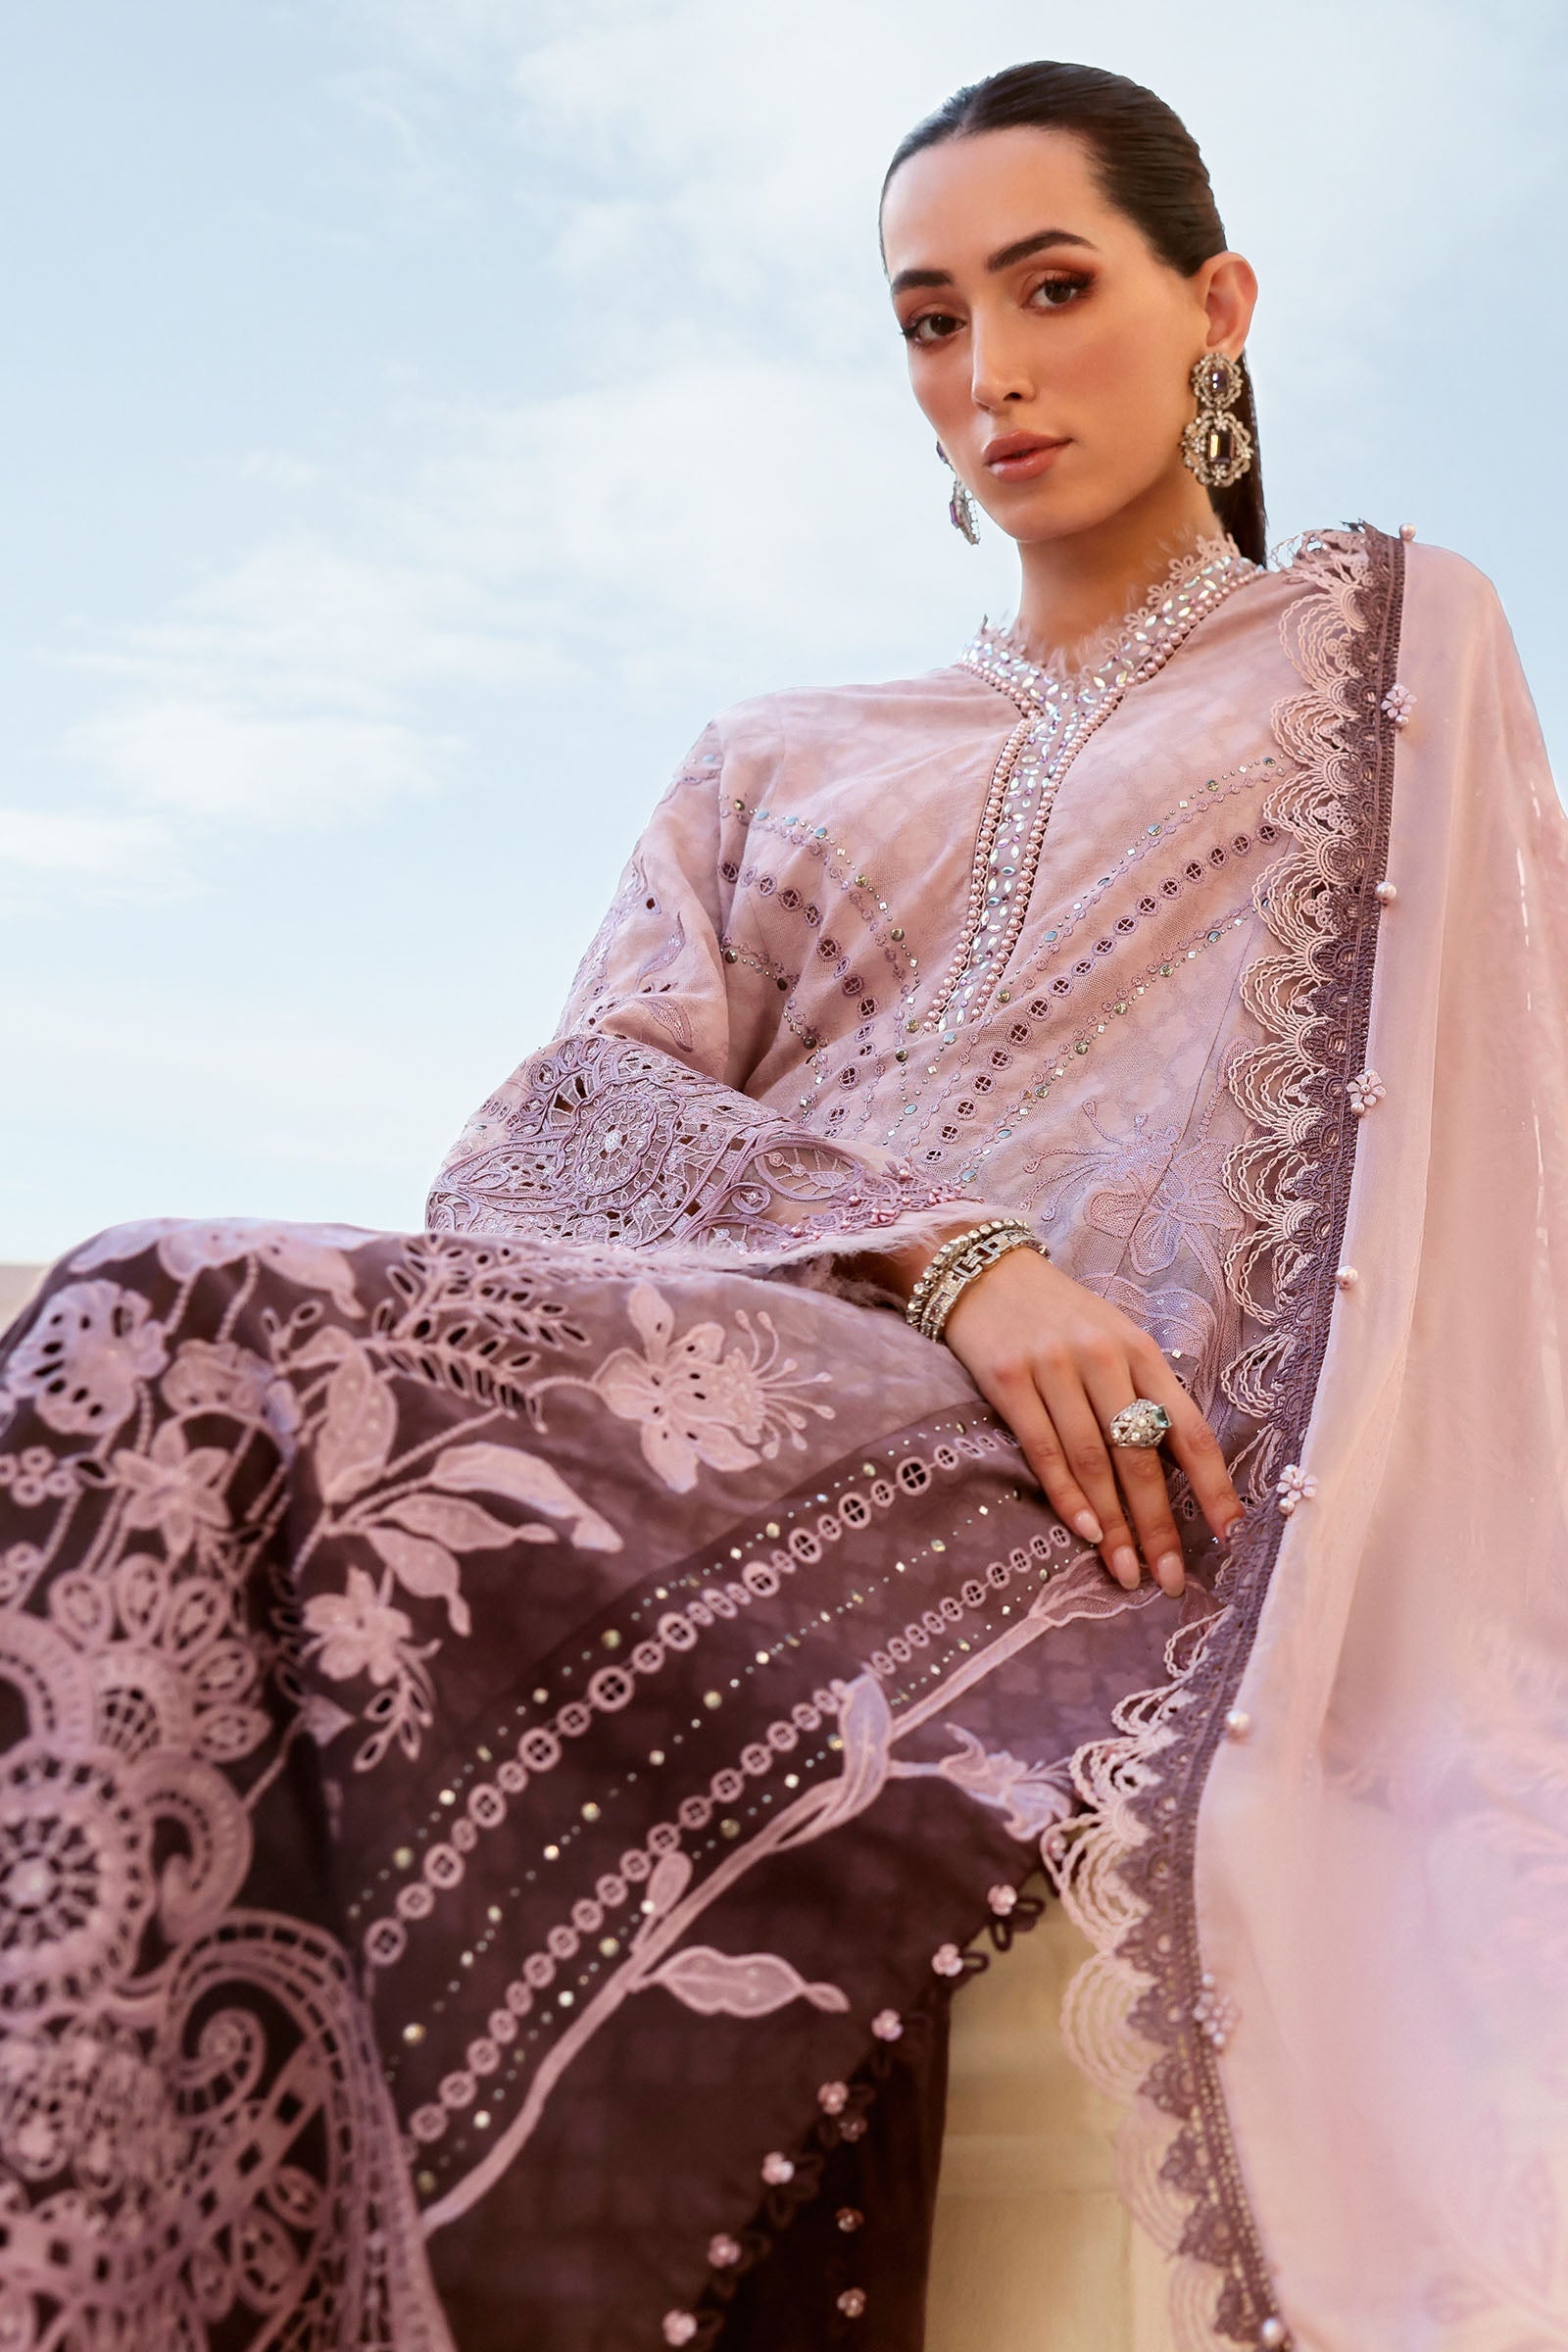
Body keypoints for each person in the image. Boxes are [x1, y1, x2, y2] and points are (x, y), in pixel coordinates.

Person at [1, 55, 1565, 2352]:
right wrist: (951, 1260)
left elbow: (1468, 1158)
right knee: (142, 1319)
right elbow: (551, 1129)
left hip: (1083, 1490)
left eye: (1052, 288)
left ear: (1216, 305)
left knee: (176, 1298)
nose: (988, 369)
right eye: (929, 319)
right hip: (768, 1361)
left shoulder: (1383, 651)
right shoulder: (777, 755)